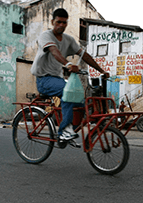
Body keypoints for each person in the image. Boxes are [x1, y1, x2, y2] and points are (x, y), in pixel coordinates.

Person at [31, 8, 109, 141]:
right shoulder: (46, 36)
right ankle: (64, 131)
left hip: (58, 79)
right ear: (52, 22)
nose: (61, 25)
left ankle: (71, 129)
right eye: (58, 22)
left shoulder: (69, 40)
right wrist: (68, 64)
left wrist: (101, 70)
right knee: (67, 91)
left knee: (79, 98)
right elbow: (54, 51)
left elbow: (85, 56)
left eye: (64, 23)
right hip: (43, 79)